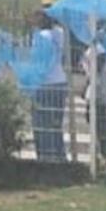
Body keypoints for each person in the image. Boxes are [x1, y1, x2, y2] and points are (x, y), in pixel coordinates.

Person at [31, 10, 68, 162]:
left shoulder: (42, 37)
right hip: (59, 80)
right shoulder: (60, 33)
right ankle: (59, 156)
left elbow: (39, 60)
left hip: (45, 83)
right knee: (55, 124)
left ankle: (46, 157)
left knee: (42, 124)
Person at [82, 43, 106, 164]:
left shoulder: (99, 54)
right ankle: (101, 153)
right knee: (97, 123)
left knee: (101, 125)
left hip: (99, 95)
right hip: (98, 94)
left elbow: (93, 75)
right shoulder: (103, 55)